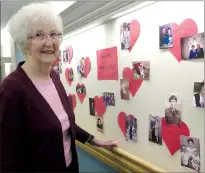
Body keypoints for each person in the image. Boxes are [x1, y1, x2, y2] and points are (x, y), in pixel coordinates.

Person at [0, 3, 118, 173]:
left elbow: (63, 122)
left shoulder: (54, 77)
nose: (50, 42)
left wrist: (94, 140)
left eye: (54, 34)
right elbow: (7, 156)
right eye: (40, 35)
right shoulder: (11, 89)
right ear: (25, 43)